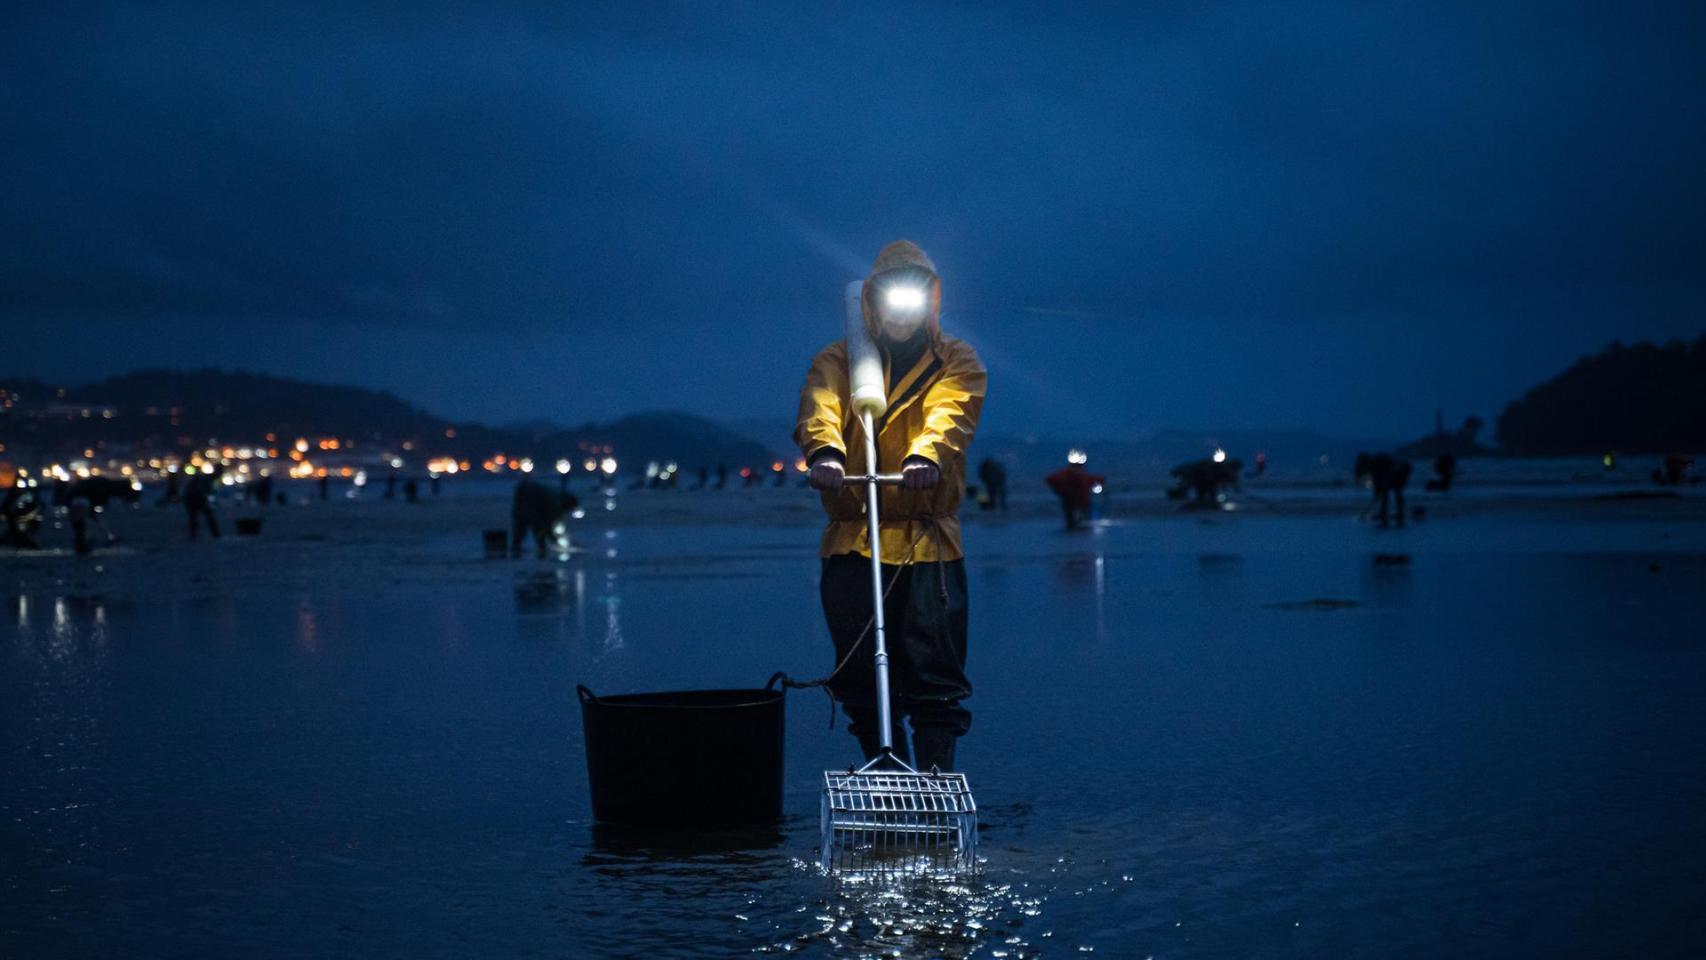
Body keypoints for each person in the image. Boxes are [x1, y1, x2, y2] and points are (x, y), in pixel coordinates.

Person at [796, 240, 986, 774]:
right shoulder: (838, 359)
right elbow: (821, 407)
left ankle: (934, 776)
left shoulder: (957, 359)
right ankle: (885, 768)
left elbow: (951, 415)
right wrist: (827, 452)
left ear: (930, 301)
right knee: (858, 667)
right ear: (872, 302)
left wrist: (926, 455)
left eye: (914, 296)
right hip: (854, 537)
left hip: (928, 539)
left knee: (934, 667)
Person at [1045, 452, 1104, 529]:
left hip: (1073, 500)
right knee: (1078, 517)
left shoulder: (1068, 474)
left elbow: (1049, 479)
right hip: (1077, 500)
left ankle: (1075, 524)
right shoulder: (1080, 475)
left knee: (1075, 517)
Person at [1354, 452, 1413, 528]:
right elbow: (1378, 486)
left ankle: (1394, 514)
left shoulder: (1379, 464)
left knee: (1395, 491)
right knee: (1388, 493)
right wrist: (1377, 493)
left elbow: (1382, 484)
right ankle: (1387, 513)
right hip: (1398, 469)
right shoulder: (1375, 465)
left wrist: (1378, 492)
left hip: (1402, 471)